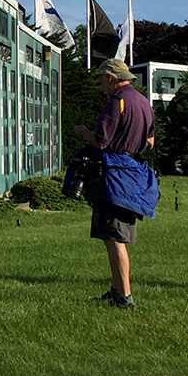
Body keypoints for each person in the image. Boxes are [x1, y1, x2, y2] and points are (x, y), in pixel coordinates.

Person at [70, 58, 155, 309]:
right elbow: (150, 143)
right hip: (133, 174)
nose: (99, 84)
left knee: (114, 237)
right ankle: (116, 290)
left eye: (100, 79)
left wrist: (83, 131)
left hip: (114, 176)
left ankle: (125, 298)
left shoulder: (116, 102)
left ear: (111, 77)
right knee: (114, 234)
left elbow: (101, 141)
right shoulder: (143, 103)